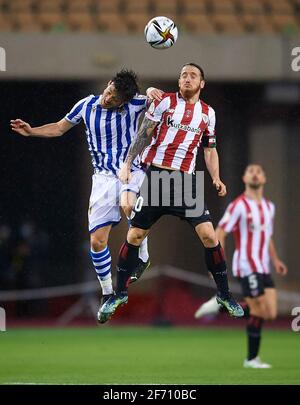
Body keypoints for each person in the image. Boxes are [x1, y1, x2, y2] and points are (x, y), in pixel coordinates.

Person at [10, 69, 163, 321]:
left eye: (114, 98)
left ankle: (142, 257)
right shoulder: (86, 105)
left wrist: (149, 91)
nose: (108, 97)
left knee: (129, 206)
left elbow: (157, 101)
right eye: (109, 91)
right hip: (102, 178)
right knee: (97, 242)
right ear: (108, 84)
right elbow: (60, 128)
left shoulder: (133, 104)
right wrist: (32, 131)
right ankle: (107, 294)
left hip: (129, 168)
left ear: (124, 101)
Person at [99, 62, 244, 323]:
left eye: (193, 76)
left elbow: (209, 149)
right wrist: (128, 164)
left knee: (210, 236)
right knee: (135, 234)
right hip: (157, 177)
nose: (187, 79)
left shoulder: (207, 113)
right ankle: (119, 293)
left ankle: (224, 294)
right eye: (183, 75)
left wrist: (216, 178)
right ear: (178, 82)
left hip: (185, 182)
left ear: (202, 84)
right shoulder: (164, 101)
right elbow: (145, 134)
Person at [194, 164, 288, 368]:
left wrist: (276, 260)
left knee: (270, 312)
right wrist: (220, 261)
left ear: (264, 178)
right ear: (245, 178)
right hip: (246, 263)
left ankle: (220, 305)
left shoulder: (269, 207)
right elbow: (220, 232)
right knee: (258, 308)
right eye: (250, 171)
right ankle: (251, 359)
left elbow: (267, 236)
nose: (255, 173)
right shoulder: (239, 205)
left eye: (259, 171)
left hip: (263, 266)